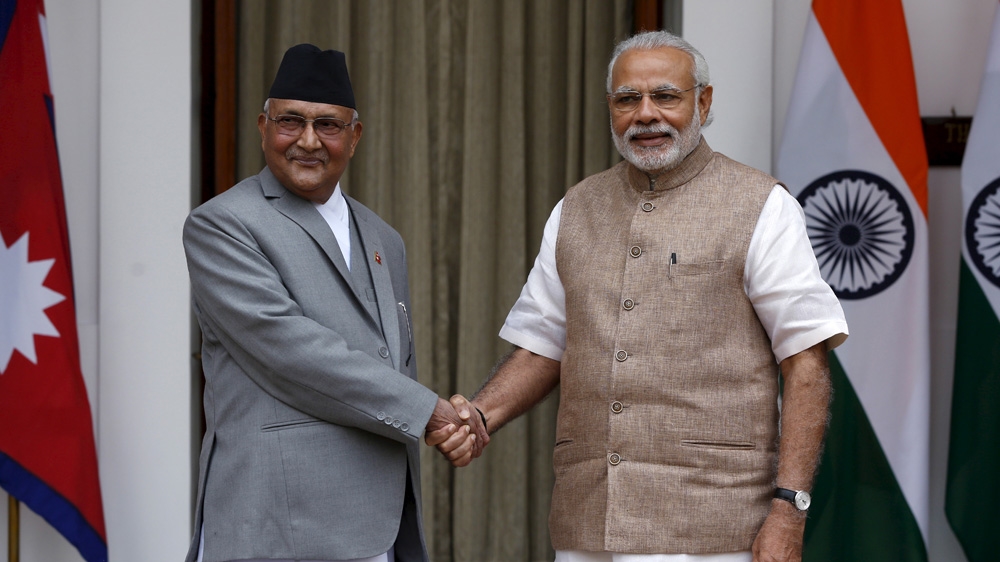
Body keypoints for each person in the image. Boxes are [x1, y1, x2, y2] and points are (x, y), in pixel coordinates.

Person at [429, 30, 848, 562]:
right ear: (610, 107)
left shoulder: (761, 205)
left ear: (703, 103)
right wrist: (479, 416)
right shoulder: (577, 208)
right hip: (588, 524)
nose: (646, 114)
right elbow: (542, 346)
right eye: (628, 99)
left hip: (714, 529)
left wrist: (790, 508)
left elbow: (806, 362)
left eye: (665, 96)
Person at [182, 44, 486, 562]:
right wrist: (430, 412)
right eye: (290, 121)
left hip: (376, 526)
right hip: (275, 524)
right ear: (262, 127)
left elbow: (392, 362)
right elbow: (291, 352)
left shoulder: (384, 238)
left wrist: (448, 420)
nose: (307, 140)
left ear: (355, 135)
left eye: (327, 125)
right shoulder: (223, 225)